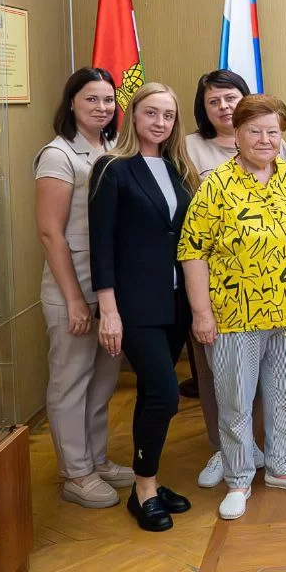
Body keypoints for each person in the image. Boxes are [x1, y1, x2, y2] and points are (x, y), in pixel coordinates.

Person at [180, 94, 286, 519]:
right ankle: (239, 479)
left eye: (272, 131)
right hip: (233, 315)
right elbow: (193, 251)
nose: (265, 139)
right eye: (254, 131)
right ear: (237, 134)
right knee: (235, 401)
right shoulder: (216, 185)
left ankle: (281, 467)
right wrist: (201, 313)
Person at [89, 83, 198, 532]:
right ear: (133, 116)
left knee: (154, 394)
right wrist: (108, 310)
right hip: (134, 305)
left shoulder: (178, 168)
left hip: (175, 303)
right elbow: (102, 245)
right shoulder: (112, 168)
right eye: (151, 112)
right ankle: (145, 488)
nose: (160, 122)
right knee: (165, 395)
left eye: (168, 115)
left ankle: (145, 481)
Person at [36, 68, 133, 508]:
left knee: (102, 380)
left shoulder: (112, 148)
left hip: (108, 289)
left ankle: (96, 460)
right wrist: (75, 300)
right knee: (71, 381)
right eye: (91, 99)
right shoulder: (58, 154)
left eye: (108, 100)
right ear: (72, 102)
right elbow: (50, 233)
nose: (102, 107)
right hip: (72, 287)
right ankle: (75, 473)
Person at [185, 69, 284, 488]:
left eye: (231, 98)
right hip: (214, 281)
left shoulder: (276, 146)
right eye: (214, 101)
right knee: (220, 378)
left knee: (270, 375)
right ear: (204, 108)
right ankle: (224, 450)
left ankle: (258, 447)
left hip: (272, 286)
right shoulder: (188, 146)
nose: (224, 107)